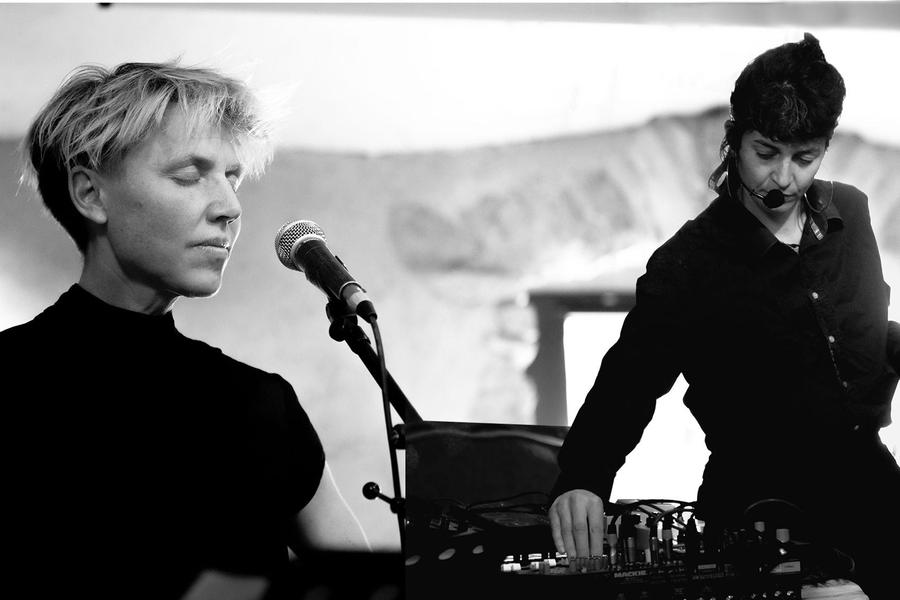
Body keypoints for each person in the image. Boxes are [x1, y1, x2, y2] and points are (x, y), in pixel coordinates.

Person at [548, 33, 900, 598]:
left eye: (804, 158)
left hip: (872, 488)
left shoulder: (850, 212)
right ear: (734, 142)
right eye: (766, 153)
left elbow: (857, 331)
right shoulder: (687, 264)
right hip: (760, 507)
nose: (783, 178)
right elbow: (628, 381)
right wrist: (582, 479)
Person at [2, 61, 370, 599]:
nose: (230, 207)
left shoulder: (261, 401)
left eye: (232, 178)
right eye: (189, 176)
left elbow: (364, 586)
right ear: (90, 194)